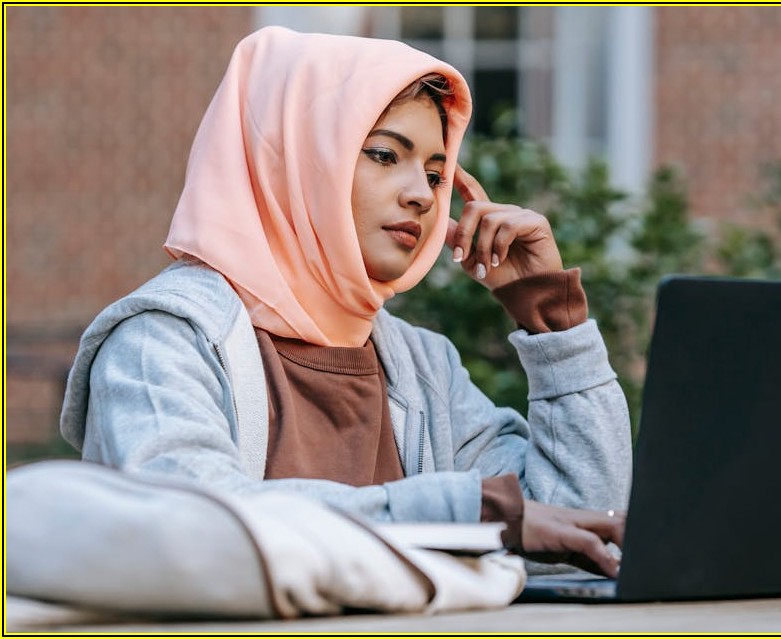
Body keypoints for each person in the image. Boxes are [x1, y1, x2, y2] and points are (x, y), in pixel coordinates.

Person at [59, 26, 632, 578]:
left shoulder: (421, 366)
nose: (421, 195)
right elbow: (197, 526)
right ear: (293, 159)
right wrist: (461, 512)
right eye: (385, 155)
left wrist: (552, 319)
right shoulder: (162, 341)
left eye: (436, 174)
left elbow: (577, 530)